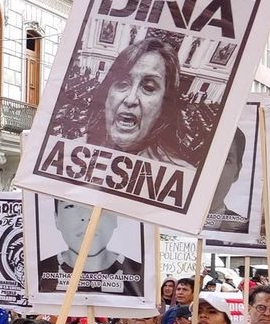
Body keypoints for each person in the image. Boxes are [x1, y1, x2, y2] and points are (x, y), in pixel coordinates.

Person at [85, 35, 184, 164]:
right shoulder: (68, 150)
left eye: (148, 88)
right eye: (122, 83)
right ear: (106, 94)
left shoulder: (180, 173)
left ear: (164, 106)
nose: (131, 100)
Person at [37, 200, 144, 298]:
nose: (86, 216)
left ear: (115, 218)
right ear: (56, 219)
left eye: (101, 207)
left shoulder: (139, 276)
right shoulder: (39, 273)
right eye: (71, 206)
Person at [206, 127, 248, 232]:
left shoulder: (246, 229)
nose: (214, 169)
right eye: (206, 155)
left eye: (226, 160)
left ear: (237, 172)